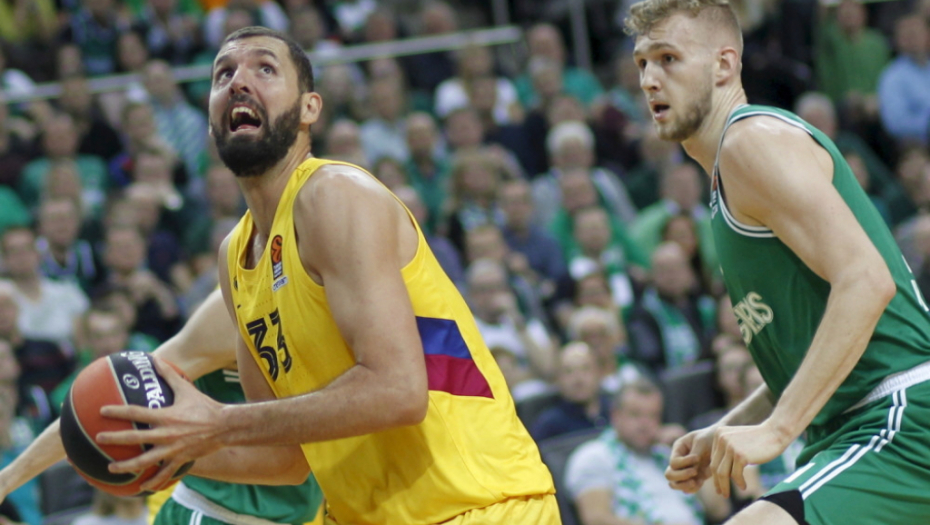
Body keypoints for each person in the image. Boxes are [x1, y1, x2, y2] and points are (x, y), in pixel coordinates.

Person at [94, 27, 559, 525]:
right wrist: (164, 453)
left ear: (309, 108)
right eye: (223, 74)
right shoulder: (235, 257)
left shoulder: (334, 194)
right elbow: (287, 458)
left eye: (265, 68)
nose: (239, 82)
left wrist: (220, 422)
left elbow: (398, 390)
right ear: (211, 123)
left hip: (475, 505)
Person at [625, 0, 930, 523]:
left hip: (899, 418)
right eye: (642, 64)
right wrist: (733, 424)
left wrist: (779, 428)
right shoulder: (728, 174)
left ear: (724, 65)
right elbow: (812, 343)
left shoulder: (750, 143)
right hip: (857, 427)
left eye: (668, 58)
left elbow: (866, 282)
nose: (650, 79)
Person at [0, 289, 325, 525]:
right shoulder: (239, 305)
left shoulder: (340, 304)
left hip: (308, 509)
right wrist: (8, 479)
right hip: (218, 512)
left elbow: (297, 465)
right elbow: (101, 410)